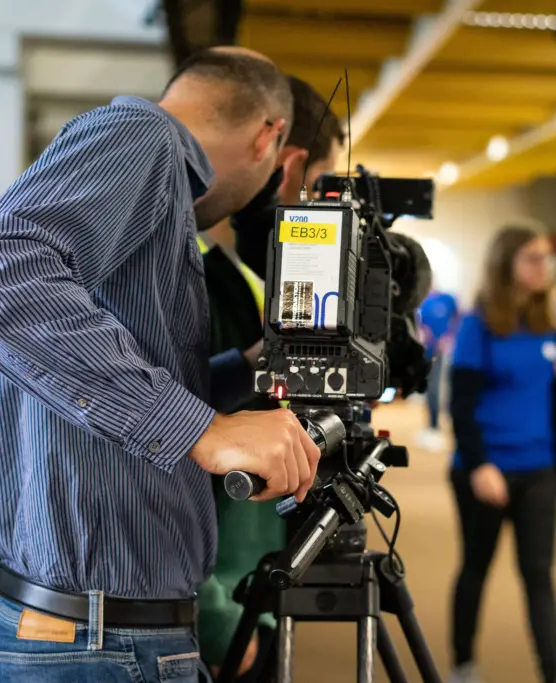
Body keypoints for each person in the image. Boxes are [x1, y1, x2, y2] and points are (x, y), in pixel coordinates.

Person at [0, 48, 322, 682]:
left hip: (41, 621)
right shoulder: (144, 138)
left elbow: (75, 379)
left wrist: (246, 370)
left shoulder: (139, 182)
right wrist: (203, 431)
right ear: (268, 136)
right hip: (87, 641)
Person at [196, 74, 343, 680]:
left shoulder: (224, 272)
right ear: (289, 165)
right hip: (215, 602)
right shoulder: (197, 278)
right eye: (318, 189)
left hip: (244, 585)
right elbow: (157, 449)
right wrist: (213, 612)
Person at [448, 224, 556, 683]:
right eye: (532, 258)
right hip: (485, 468)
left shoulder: (547, 321)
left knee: (539, 575)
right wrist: (480, 465)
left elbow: (552, 400)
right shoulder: (478, 325)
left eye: (546, 258)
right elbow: (460, 406)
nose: (544, 268)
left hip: (538, 468)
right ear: (507, 265)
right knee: (476, 569)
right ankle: (463, 665)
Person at [419, 289, 459, 451]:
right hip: (427, 350)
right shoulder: (425, 301)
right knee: (429, 388)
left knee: (437, 387)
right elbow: (420, 323)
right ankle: (431, 426)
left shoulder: (448, 299)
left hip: (442, 351)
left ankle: (436, 426)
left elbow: (457, 318)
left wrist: (448, 337)